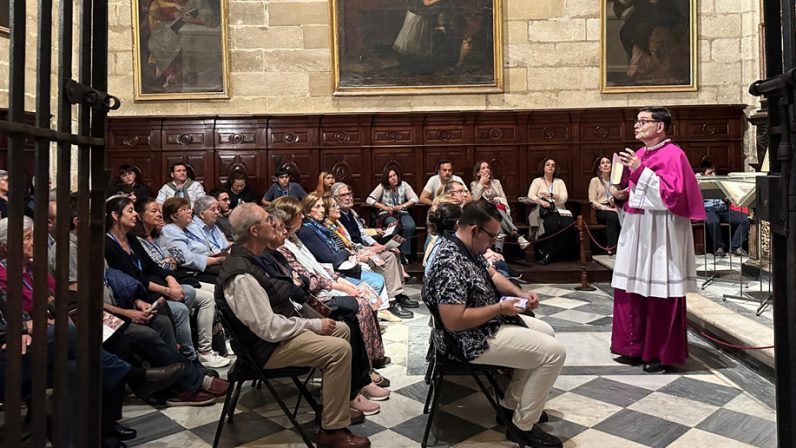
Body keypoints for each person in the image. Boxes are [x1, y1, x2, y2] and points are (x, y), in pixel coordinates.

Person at [216, 203, 372, 448]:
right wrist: (311, 325)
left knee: (342, 329)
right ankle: (332, 433)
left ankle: (332, 408)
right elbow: (268, 328)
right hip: (264, 349)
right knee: (338, 350)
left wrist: (311, 323)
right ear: (255, 231)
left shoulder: (255, 259)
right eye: (269, 220)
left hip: (274, 336)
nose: (275, 223)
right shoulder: (241, 274)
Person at [422, 200, 566, 448]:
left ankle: (509, 406)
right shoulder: (449, 261)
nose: (492, 243)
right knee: (554, 354)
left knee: (547, 332)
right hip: (468, 340)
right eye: (490, 237)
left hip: (486, 325)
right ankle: (523, 427)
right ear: (473, 229)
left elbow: (494, 275)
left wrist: (519, 294)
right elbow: (454, 321)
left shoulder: (468, 247)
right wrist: (500, 308)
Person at [257, 207, 390, 413]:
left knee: (351, 316)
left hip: (304, 303)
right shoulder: (266, 257)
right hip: (289, 322)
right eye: (277, 228)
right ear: (260, 232)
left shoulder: (280, 252)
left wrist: (299, 282)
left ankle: (361, 378)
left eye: (284, 228)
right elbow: (297, 288)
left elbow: (300, 281)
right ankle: (351, 392)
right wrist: (299, 283)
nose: (283, 232)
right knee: (350, 315)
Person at [609, 106, 705, 373]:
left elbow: (672, 196)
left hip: (662, 231)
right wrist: (621, 195)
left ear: (660, 126)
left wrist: (640, 171)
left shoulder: (674, 155)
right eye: (636, 121)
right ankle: (634, 347)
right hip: (638, 228)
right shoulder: (640, 154)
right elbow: (636, 190)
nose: (636, 126)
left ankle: (661, 353)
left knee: (660, 290)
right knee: (632, 288)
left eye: (643, 121)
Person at [104, 196, 229, 369]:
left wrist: (171, 280)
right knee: (178, 309)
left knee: (191, 292)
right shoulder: (109, 244)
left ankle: (198, 352)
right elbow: (134, 276)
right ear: (115, 215)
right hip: (136, 293)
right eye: (130, 211)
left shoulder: (130, 238)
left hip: (152, 283)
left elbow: (152, 264)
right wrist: (168, 290)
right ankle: (188, 359)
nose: (134, 215)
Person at [296, 192, 399, 320]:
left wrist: (353, 252)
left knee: (387, 259)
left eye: (323, 206)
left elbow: (350, 243)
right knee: (375, 279)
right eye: (317, 207)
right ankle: (373, 314)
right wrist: (348, 252)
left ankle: (384, 306)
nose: (322, 210)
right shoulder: (308, 230)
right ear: (307, 211)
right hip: (332, 271)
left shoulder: (325, 226)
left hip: (343, 265)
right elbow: (332, 259)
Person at [332, 183, 419, 312]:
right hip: (355, 253)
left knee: (394, 251)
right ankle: (392, 299)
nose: (348, 198)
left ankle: (398, 293)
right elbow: (348, 243)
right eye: (343, 195)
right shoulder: (337, 217)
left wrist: (376, 245)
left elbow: (362, 233)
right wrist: (369, 249)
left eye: (349, 194)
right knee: (388, 257)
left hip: (363, 248)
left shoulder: (350, 213)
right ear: (335, 198)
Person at [160, 197, 228, 284]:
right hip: (193, 271)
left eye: (189, 208)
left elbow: (207, 248)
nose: (190, 211)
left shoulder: (191, 226)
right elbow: (184, 259)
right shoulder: (169, 231)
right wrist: (217, 260)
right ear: (173, 216)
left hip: (208, 264)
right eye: (184, 209)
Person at [471, 160, 530, 250]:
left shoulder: (496, 182)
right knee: (497, 213)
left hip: (498, 210)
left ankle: (498, 250)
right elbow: (475, 199)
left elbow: (503, 197)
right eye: (483, 168)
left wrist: (497, 199)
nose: (486, 170)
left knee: (497, 215)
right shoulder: (474, 184)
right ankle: (516, 235)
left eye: (488, 167)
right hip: (484, 213)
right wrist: (481, 184)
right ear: (478, 173)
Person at [526, 158, 576, 265]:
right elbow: (531, 195)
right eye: (548, 165)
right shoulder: (537, 181)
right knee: (552, 223)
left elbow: (564, 198)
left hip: (560, 209)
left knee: (569, 223)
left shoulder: (559, 182)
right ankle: (547, 252)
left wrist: (551, 195)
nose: (550, 167)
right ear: (543, 168)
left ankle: (565, 253)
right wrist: (540, 201)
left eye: (553, 165)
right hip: (546, 210)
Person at [696, 158, 750, 257]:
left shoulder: (719, 180)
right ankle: (719, 247)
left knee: (745, 219)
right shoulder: (698, 181)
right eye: (710, 173)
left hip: (723, 208)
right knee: (713, 222)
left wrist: (727, 196)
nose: (713, 175)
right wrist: (699, 179)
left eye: (714, 172)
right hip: (708, 209)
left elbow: (727, 196)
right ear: (703, 173)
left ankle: (735, 247)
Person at [366, 167, 418, 259]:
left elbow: (415, 199)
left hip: (401, 211)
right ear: (387, 179)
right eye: (390, 177)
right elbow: (369, 200)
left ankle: (404, 253)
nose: (394, 178)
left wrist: (403, 206)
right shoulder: (382, 186)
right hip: (386, 213)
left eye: (395, 175)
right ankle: (394, 251)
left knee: (410, 226)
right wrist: (384, 207)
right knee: (394, 225)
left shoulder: (404, 185)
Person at [588, 156, 621, 254]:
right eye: (603, 163)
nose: (606, 165)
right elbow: (592, 201)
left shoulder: (616, 181)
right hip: (601, 210)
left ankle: (624, 247)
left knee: (625, 215)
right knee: (612, 216)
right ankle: (611, 247)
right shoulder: (595, 181)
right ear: (599, 167)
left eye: (608, 162)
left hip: (615, 207)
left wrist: (615, 202)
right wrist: (606, 207)